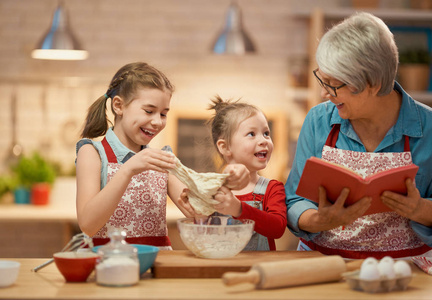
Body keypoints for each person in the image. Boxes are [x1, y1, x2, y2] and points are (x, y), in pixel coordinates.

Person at [285, 12, 432, 259]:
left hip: (406, 269)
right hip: (324, 264)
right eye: (323, 79)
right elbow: (294, 200)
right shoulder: (318, 121)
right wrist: (318, 220)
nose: (324, 93)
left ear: (372, 84)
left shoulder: (428, 127)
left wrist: (420, 209)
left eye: (334, 84)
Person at [75, 62, 249, 249]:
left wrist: (227, 179)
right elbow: (88, 225)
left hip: (157, 261)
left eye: (164, 114)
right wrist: (128, 169)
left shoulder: (163, 159)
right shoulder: (92, 153)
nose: (157, 121)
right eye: (149, 111)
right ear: (118, 106)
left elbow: (198, 214)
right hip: (108, 261)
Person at [180, 96, 287, 251]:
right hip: (220, 268)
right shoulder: (211, 190)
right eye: (251, 134)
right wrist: (197, 214)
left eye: (266, 133)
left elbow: (277, 228)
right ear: (225, 147)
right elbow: (203, 234)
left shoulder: (272, 188)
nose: (263, 140)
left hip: (258, 270)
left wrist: (238, 209)